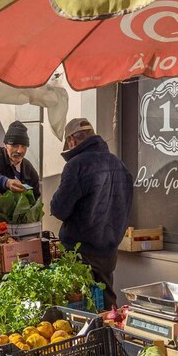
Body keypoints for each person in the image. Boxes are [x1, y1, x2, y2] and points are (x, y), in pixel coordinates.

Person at [51, 118, 134, 309]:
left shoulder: (76, 165)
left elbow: (59, 209)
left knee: (77, 304)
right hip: (109, 250)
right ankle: (109, 335)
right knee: (105, 301)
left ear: (72, 140)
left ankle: (86, 338)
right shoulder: (119, 165)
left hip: (79, 249)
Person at [0, 121, 41, 227]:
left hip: (14, 226)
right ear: (5, 144)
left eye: (23, 146)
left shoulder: (29, 169)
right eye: (14, 145)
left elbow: (35, 197)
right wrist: (7, 182)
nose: (19, 150)